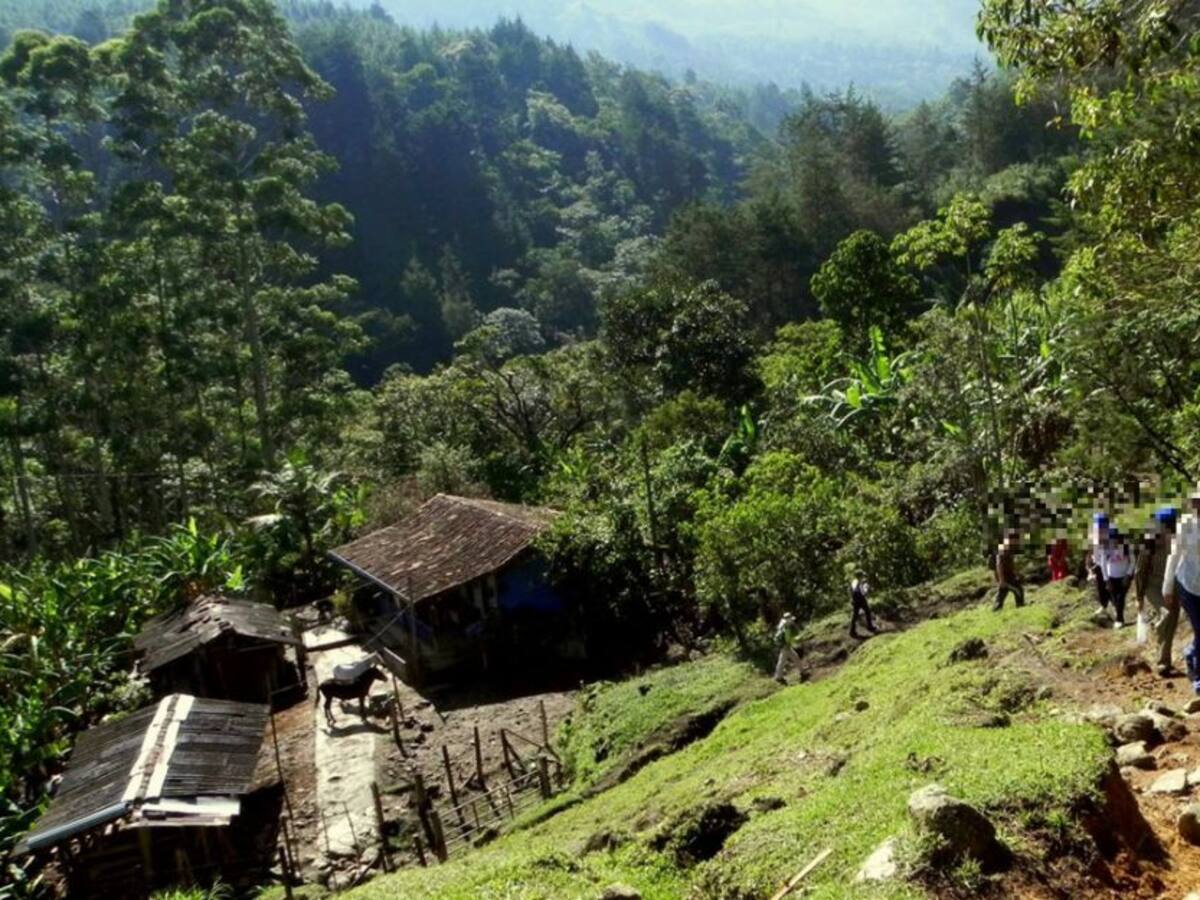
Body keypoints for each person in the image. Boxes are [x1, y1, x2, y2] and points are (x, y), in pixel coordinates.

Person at [1164, 487, 1200, 695]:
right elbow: (1174, 556)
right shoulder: (1186, 524)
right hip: (1187, 584)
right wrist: (1167, 588)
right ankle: (1198, 677)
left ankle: (1191, 652)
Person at [1136, 508, 1178, 676]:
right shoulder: (1150, 542)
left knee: (1171, 623)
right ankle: (1156, 626)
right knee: (1167, 614)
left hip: (1174, 586)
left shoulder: (1180, 540)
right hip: (1153, 586)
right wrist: (1139, 597)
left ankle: (1164, 661)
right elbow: (1140, 571)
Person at [1103, 527, 1134, 628]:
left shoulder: (1127, 548)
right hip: (1111, 577)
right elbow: (1103, 564)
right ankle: (1117, 614)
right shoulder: (1106, 549)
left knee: (1121, 598)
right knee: (1115, 599)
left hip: (1124, 577)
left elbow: (1133, 562)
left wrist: (1128, 575)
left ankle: (1119, 619)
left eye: (1116, 539)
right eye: (1112, 539)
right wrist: (1106, 580)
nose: (1115, 541)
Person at [993, 530, 1025, 610]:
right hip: (1005, 577)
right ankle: (1020, 606)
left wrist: (1017, 573)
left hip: (1009, 576)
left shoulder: (1010, 549)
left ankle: (997, 608)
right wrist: (1001, 580)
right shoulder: (1002, 550)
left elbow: (1011, 564)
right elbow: (999, 565)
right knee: (1018, 590)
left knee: (1002, 593)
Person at [1086, 513, 1111, 615]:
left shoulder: (1111, 537)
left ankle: (1115, 608)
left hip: (1110, 566)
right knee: (1101, 586)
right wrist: (1090, 568)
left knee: (1111, 587)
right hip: (1099, 565)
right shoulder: (1094, 538)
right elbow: (1090, 553)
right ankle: (1103, 605)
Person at [773, 612, 803, 684]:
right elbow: (788, 640)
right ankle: (778, 677)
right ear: (788, 620)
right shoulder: (787, 628)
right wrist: (797, 639)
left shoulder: (783, 624)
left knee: (791, 658)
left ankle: (802, 671)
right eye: (791, 619)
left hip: (785, 646)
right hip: (785, 646)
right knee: (786, 660)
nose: (792, 621)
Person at [849, 571, 878, 639]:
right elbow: (856, 591)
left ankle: (853, 631)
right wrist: (864, 592)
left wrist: (865, 590)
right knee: (858, 614)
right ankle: (868, 627)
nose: (863, 577)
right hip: (858, 599)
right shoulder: (855, 582)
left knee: (864, 613)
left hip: (858, 599)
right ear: (859, 576)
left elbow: (862, 591)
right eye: (862, 575)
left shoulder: (858, 582)